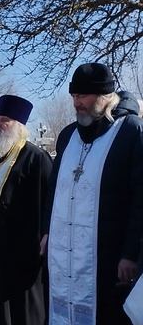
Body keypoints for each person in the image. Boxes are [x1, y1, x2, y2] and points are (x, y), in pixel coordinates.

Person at [43, 63, 143, 323]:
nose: (77, 103)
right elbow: (53, 190)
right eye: (74, 96)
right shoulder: (67, 136)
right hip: (64, 252)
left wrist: (130, 253)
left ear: (104, 96)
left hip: (107, 254)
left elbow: (140, 198)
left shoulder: (131, 131)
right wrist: (46, 232)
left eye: (83, 96)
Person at [0, 95, 52, 324]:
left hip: (20, 261)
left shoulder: (35, 158)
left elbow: (47, 207)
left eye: (4, 120)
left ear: (19, 125)